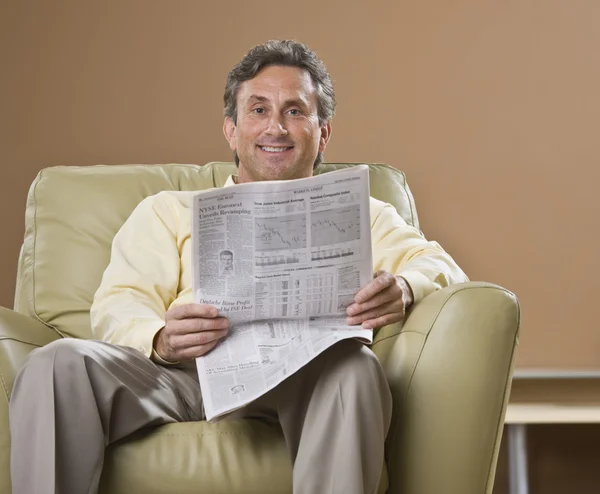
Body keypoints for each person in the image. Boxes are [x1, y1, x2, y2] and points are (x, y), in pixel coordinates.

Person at [9, 40, 468, 494]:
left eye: (294, 111)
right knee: (56, 363)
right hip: (178, 378)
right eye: (258, 110)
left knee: (354, 367)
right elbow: (118, 304)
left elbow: (442, 267)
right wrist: (162, 340)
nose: (276, 128)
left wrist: (404, 287)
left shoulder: (363, 213)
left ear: (322, 131)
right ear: (231, 130)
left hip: (301, 379)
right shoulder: (166, 210)